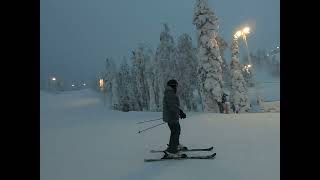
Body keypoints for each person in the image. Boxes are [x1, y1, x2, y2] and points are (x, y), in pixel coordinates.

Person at [162, 79, 186, 157]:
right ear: (173, 86)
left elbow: (173, 105)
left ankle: (175, 145)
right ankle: (172, 151)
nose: (177, 87)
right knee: (175, 131)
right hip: (171, 117)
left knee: (176, 131)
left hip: (172, 116)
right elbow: (172, 106)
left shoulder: (170, 92)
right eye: (176, 85)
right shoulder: (170, 93)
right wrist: (180, 112)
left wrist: (179, 112)